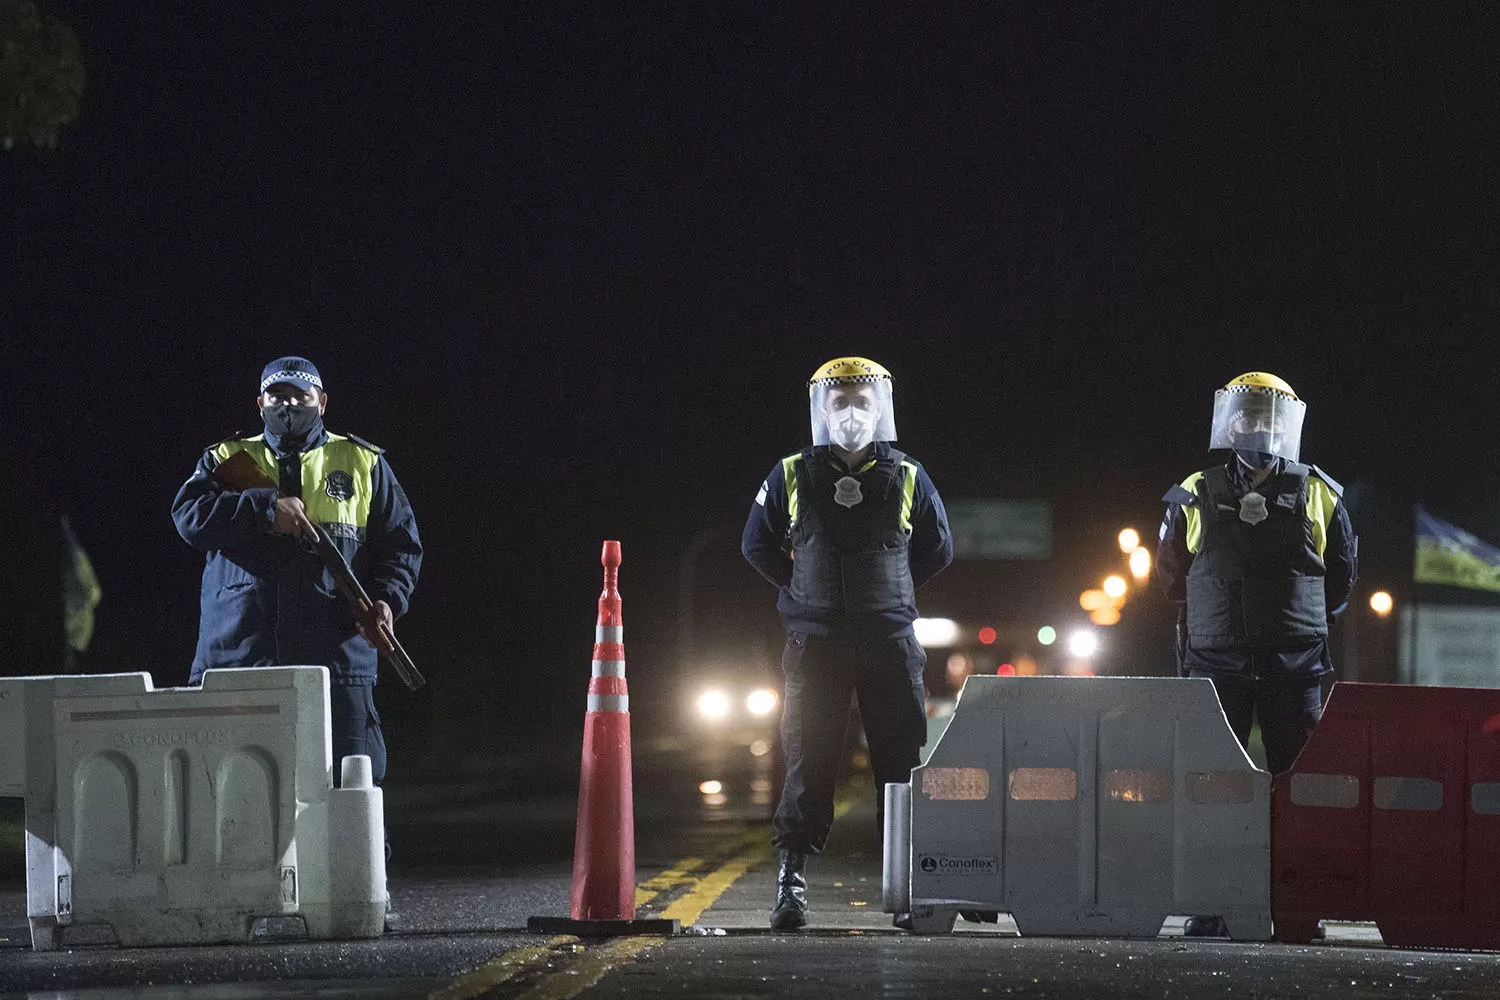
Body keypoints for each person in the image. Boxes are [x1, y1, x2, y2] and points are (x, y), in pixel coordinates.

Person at [742, 356, 953, 931]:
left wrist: (890, 594)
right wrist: (805, 592)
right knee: (807, 760)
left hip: (888, 643)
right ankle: (791, 883)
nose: (853, 413)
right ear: (822, 410)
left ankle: (911, 887)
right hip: (817, 645)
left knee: (901, 764)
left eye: (863, 402)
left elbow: (938, 549)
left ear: (881, 408)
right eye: (841, 402)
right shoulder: (789, 475)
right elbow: (755, 546)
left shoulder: (909, 474)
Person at [1156, 371, 1356, 937]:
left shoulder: (1319, 491)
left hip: (1293, 668)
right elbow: (1172, 575)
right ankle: (1213, 905)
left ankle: (1298, 909)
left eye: (1268, 420)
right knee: (1212, 785)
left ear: (1285, 427)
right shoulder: (1196, 489)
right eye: (1247, 418)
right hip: (1218, 668)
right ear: (1230, 424)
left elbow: (1339, 576)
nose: (1257, 430)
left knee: (1298, 785)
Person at [172, 356, 422, 789]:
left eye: (300, 396)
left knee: (351, 792)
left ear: (322, 401)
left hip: (338, 663)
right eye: (277, 396)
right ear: (260, 403)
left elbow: (401, 547)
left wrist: (386, 601)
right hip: (238, 660)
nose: (288, 405)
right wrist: (266, 511)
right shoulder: (227, 457)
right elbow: (189, 518)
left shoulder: (363, 461)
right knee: (234, 794)